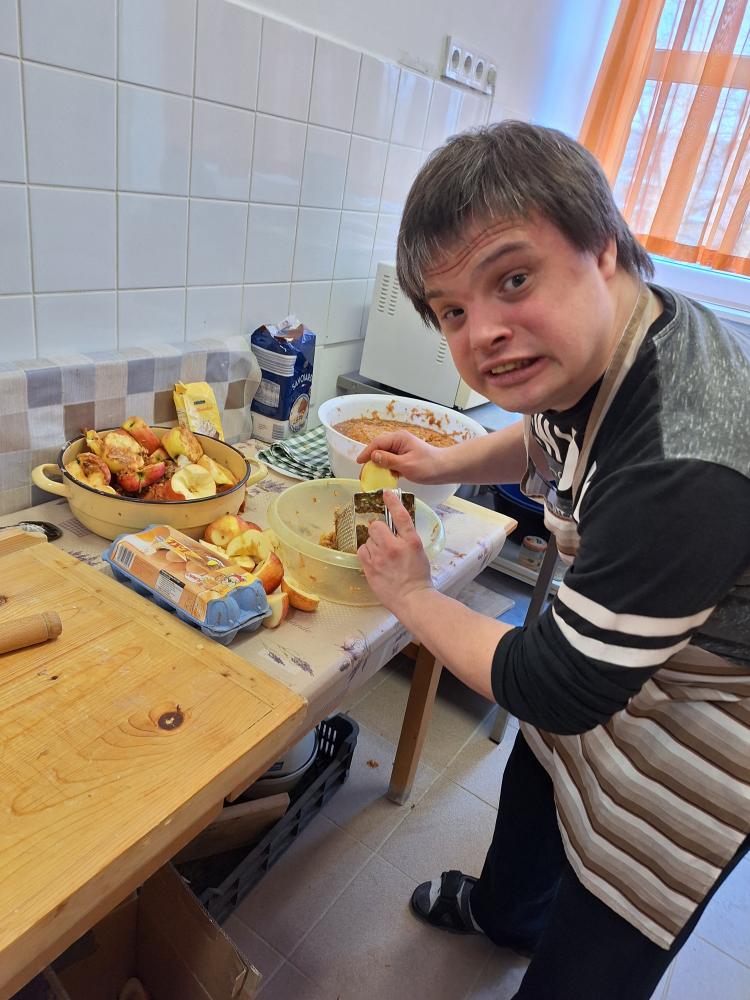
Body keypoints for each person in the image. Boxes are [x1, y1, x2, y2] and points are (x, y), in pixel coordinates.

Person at [355, 121, 750, 1000]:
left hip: (711, 710)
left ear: (601, 245)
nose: (484, 334)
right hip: (621, 640)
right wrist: (443, 463)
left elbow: (556, 684)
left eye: (513, 279)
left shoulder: (688, 456)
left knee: (608, 925)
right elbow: (547, 436)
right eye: (453, 312)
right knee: (539, 781)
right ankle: (506, 915)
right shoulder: (609, 333)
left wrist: (412, 594)